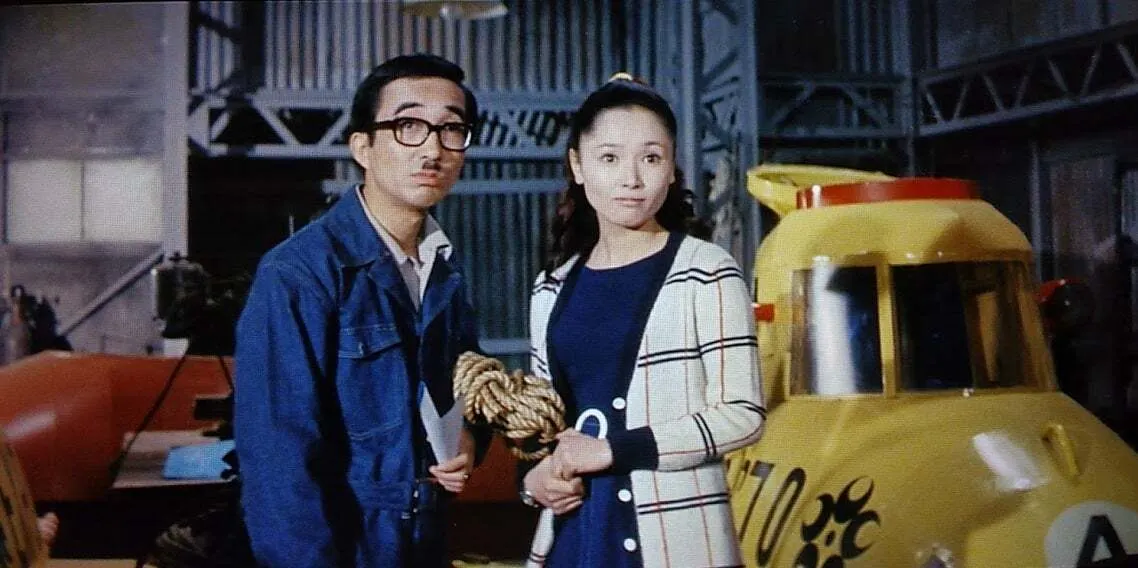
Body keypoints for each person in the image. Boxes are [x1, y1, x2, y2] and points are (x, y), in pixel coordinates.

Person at [234, 53, 489, 568]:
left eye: (451, 129)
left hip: (423, 540)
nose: (433, 149)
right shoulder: (299, 273)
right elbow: (279, 469)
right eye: (408, 126)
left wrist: (468, 437)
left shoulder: (441, 266)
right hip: (345, 546)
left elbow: (469, 378)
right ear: (362, 147)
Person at [521, 74, 767, 567]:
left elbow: (743, 414)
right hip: (575, 537)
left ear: (672, 169)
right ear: (578, 165)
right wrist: (534, 480)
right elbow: (541, 425)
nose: (631, 179)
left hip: (677, 541)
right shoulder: (551, 288)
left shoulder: (707, 270)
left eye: (651, 158)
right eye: (609, 158)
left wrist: (614, 450)